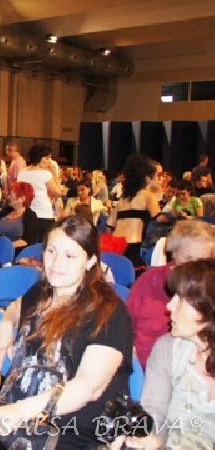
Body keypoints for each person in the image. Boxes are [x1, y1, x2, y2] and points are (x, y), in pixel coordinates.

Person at [0, 215, 133, 449]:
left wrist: (20, 410)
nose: (56, 263)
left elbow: (89, 387)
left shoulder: (109, 312)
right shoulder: (43, 291)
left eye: (69, 256)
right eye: (51, 251)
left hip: (67, 428)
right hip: (17, 411)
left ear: (90, 261)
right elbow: (16, 307)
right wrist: (6, 325)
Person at [112, 260, 215, 450]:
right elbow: (154, 413)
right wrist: (150, 439)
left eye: (181, 299)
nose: (169, 306)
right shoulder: (167, 348)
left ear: (208, 310)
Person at [126, 220, 215, 367]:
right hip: (139, 364)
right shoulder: (150, 279)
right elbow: (125, 322)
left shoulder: (210, 289)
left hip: (187, 369)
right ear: (174, 252)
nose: (191, 266)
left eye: (200, 261)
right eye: (188, 258)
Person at [107, 155, 161, 267]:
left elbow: (109, 227)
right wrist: (176, 218)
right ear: (147, 178)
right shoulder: (148, 196)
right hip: (134, 246)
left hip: (116, 244)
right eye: (157, 176)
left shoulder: (122, 200)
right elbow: (159, 219)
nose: (159, 179)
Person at [17, 144, 62, 242]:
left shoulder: (21, 173)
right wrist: (54, 173)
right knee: (44, 245)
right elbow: (57, 192)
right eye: (47, 158)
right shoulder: (45, 174)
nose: (49, 161)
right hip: (43, 213)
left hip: (26, 213)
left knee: (29, 243)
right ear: (40, 158)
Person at [0, 181, 40, 250]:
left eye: (12, 195)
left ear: (22, 199)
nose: (9, 197)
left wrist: (7, 246)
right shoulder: (6, 210)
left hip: (14, 251)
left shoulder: (30, 216)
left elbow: (29, 241)